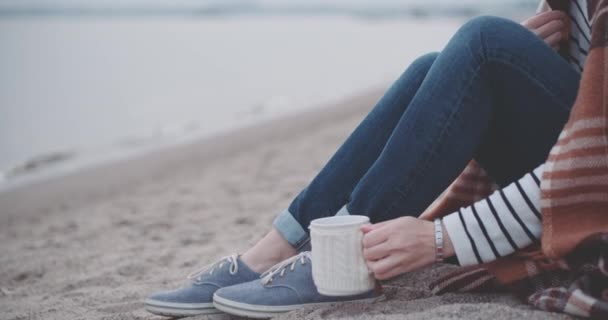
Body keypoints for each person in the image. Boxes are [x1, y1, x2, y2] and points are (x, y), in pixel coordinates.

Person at [144, 4, 591, 318]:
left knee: (485, 39)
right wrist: (523, 60)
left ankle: (340, 259)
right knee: (433, 65)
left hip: (591, 192)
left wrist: (444, 236)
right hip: (567, 158)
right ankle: (279, 246)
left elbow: (594, 159)